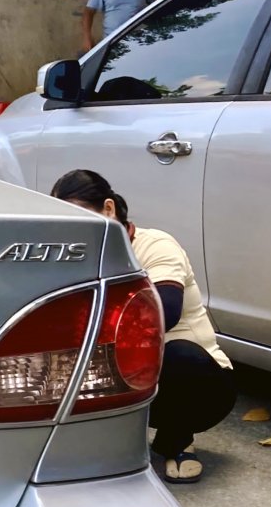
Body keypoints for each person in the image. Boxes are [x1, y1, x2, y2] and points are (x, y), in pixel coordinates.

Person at [51, 169, 235, 483]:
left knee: (178, 355)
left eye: (79, 216)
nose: (72, 228)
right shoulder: (74, 255)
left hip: (196, 382)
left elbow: (166, 313)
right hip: (124, 371)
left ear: (108, 209)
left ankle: (176, 441)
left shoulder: (155, 245)